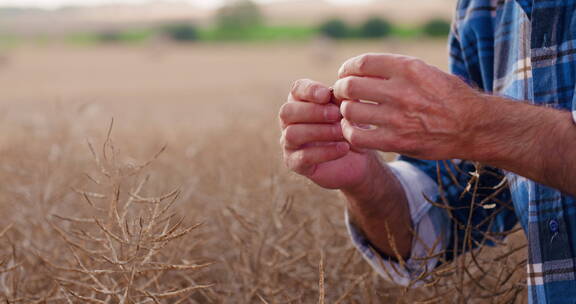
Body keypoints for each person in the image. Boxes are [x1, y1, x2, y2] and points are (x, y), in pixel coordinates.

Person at [278, 1, 576, 303]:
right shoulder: (482, 9)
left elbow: (480, 130)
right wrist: (368, 183)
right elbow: (454, 211)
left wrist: (479, 125)